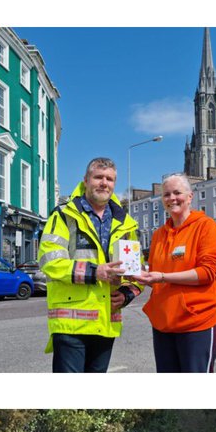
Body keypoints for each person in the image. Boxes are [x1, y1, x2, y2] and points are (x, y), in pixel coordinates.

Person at [39, 157, 142, 372]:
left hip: (106, 323)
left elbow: (135, 270)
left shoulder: (125, 223)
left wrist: (127, 294)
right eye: (98, 177)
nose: (104, 183)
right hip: (71, 325)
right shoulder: (64, 215)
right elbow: (50, 261)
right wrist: (96, 272)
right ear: (86, 180)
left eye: (110, 179)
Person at [133, 173, 216, 372]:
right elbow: (158, 274)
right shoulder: (159, 234)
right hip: (164, 325)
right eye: (166, 194)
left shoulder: (206, 227)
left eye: (177, 193)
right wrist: (140, 275)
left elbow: (208, 273)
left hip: (196, 324)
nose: (172, 198)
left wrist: (162, 277)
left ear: (190, 196)